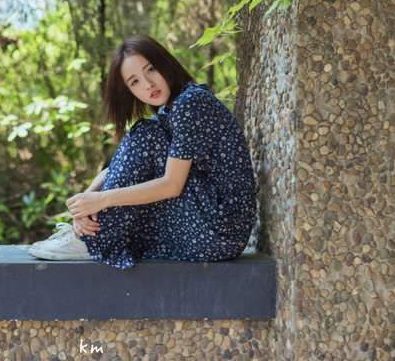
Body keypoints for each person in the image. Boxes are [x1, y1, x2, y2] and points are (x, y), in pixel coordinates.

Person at [28, 34, 256, 269]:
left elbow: (172, 185)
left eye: (151, 70)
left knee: (145, 133)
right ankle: (88, 235)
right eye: (135, 82)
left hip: (220, 228)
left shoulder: (191, 102)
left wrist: (102, 200)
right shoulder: (169, 112)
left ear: (165, 63)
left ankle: (90, 240)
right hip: (210, 224)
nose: (148, 84)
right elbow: (117, 168)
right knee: (146, 132)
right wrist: (82, 208)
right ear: (130, 91)